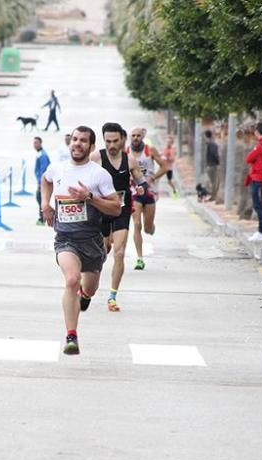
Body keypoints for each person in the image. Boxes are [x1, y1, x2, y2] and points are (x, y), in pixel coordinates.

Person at [41, 125, 121, 355]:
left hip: (92, 241)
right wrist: (45, 204)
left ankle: (85, 296)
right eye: (74, 139)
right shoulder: (57, 169)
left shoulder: (98, 175)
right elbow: (45, 180)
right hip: (66, 238)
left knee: (89, 288)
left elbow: (116, 208)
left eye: (83, 141)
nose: (77, 143)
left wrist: (90, 197)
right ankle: (71, 336)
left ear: (91, 146)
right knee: (71, 280)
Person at [91, 122, 145, 312]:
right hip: (102, 209)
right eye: (108, 141)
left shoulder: (129, 161)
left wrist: (141, 186)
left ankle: (112, 296)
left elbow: (141, 179)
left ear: (122, 139)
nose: (112, 145)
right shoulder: (96, 157)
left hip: (121, 210)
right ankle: (87, 286)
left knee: (120, 252)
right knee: (101, 252)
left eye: (115, 141)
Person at [128, 127, 167, 270]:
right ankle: (139, 258)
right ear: (129, 137)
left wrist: (152, 178)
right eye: (133, 135)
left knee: (147, 228)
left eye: (138, 135)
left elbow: (164, 167)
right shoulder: (126, 153)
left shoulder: (150, 150)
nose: (136, 138)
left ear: (143, 136)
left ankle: (151, 227)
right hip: (134, 192)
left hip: (150, 192)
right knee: (137, 224)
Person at [245, 122, 262, 241]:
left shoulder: (261, 145)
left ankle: (261, 231)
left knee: (258, 204)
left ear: (257, 132)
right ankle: (261, 230)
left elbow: (249, 158)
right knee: (261, 204)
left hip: (258, 177)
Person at [33, 136, 50, 226]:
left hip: (41, 182)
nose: (34, 145)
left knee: (40, 199)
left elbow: (43, 170)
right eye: (34, 143)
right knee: (39, 199)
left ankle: (42, 218)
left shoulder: (43, 155)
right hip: (40, 181)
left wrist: (40, 183)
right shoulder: (39, 154)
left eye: (36, 142)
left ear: (40, 143)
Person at [204, 129, 221, 202]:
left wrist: (217, 163)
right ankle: (213, 195)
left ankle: (214, 196)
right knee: (212, 181)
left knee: (213, 182)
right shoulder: (210, 144)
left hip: (212, 165)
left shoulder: (211, 144)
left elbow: (215, 154)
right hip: (211, 165)